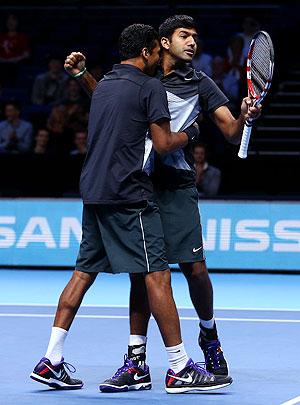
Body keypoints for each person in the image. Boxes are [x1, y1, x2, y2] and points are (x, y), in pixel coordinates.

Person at [30, 23, 232, 394]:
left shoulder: (126, 81)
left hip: (111, 189)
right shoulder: (148, 83)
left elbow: (231, 130)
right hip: (134, 190)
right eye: (183, 36)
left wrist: (84, 77)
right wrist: (193, 133)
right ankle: (168, 365)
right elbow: (163, 142)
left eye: (196, 37)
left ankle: (51, 359)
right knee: (153, 275)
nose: (192, 42)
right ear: (157, 46)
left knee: (180, 269)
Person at [0, 14, 30, 86]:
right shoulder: (1, 37)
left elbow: (26, 55)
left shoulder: (22, 37)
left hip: (15, 65)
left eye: (13, 20)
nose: (11, 22)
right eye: (9, 20)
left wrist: (14, 59)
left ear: (17, 23)